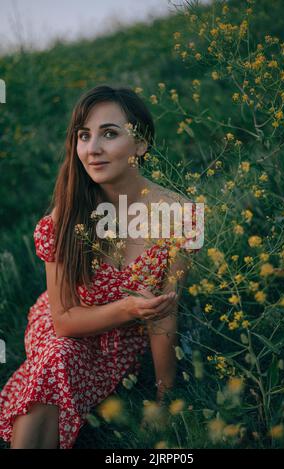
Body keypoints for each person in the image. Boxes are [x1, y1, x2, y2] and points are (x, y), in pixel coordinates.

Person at [0, 85, 195, 449]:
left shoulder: (179, 216)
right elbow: (64, 320)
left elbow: (165, 313)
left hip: (123, 339)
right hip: (70, 322)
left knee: (57, 367)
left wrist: (164, 400)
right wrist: (127, 308)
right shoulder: (66, 216)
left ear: (141, 144)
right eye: (84, 136)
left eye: (109, 133)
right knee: (56, 357)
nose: (92, 149)